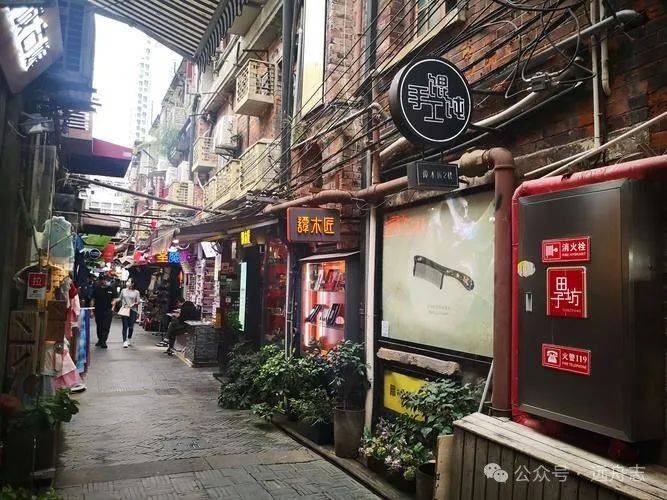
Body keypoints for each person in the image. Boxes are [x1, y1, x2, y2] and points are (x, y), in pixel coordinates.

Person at [91, 275, 116, 348]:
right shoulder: (96, 289)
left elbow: (114, 299)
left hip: (108, 310)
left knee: (106, 326)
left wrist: (113, 308)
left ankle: (103, 341)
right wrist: (92, 310)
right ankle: (100, 340)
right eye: (102, 280)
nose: (104, 281)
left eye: (105, 280)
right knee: (99, 326)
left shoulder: (111, 289)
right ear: (100, 281)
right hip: (98, 311)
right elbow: (93, 300)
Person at [116, 278, 141, 348]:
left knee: (131, 326)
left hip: (133, 310)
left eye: (129, 281)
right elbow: (120, 298)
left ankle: (129, 338)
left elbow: (138, 301)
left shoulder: (136, 292)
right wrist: (114, 300)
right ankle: (124, 341)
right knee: (125, 326)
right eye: (128, 281)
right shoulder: (123, 290)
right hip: (125, 309)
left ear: (132, 283)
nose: (127, 282)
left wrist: (134, 304)